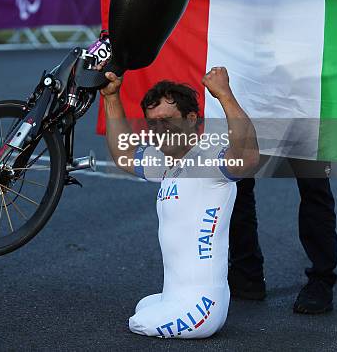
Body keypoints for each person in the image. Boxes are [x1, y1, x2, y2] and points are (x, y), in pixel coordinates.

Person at [225, 0, 337, 315]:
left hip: (301, 89)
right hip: (247, 85)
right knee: (238, 183)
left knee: (313, 187)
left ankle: (321, 281)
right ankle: (245, 278)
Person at [101, 66, 259, 339]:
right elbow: (124, 154)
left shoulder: (208, 160)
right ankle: (171, 300)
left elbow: (248, 156)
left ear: (191, 119)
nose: (160, 130)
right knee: (144, 306)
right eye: (153, 123)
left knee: (138, 322)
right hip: (175, 296)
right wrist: (111, 97)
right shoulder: (166, 162)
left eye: (168, 120)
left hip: (202, 308)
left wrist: (224, 95)